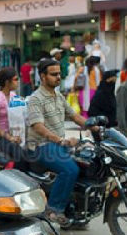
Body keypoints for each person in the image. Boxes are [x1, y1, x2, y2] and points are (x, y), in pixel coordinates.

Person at [26, 59, 89, 225]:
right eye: (54, 74)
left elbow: (74, 116)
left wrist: (93, 126)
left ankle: (75, 210)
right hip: (42, 146)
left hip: (58, 145)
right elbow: (38, 126)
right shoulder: (36, 98)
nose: (58, 77)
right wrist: (60, 140)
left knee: (88, 163)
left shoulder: (59, 96)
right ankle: (53, 208)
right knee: (70, 170)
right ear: (43, 76)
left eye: (59, 74)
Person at [0, 67, 26, 170]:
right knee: (20, 155)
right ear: (7, 82)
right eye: (16, 79)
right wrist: (10, 138)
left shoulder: (13, 95)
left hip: (12, 134)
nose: (18, 82)